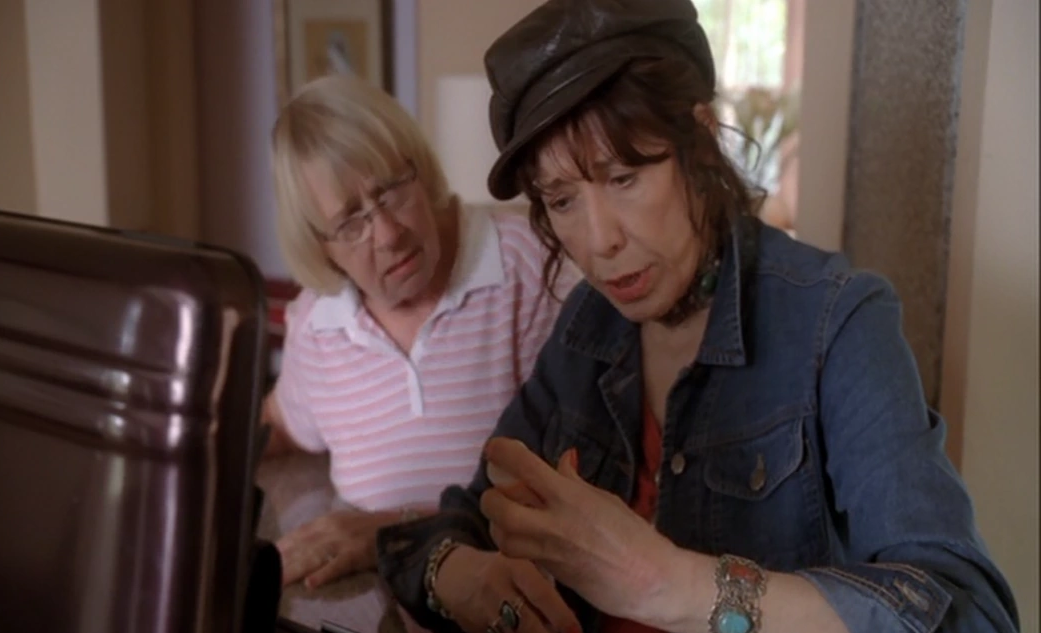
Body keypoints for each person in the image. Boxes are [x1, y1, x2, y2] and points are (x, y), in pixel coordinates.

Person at [375, 1, 1020, 632]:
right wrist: (459, 574)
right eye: (563, 200)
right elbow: (461, 515)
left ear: (703, 140)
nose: (599, 241)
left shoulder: (837, 321)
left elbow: (970, 613)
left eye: (624, 178)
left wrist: (663, 582)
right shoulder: (587, 329)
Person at [264, 74, 578, 591]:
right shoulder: (316, 326)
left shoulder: (527, 269)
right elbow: (279, 424)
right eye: (351, 223)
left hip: (511, 590)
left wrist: (389, 532)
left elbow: (571, 485)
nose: (389, 235)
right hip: (368, 602)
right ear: (321, 247)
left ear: (419, 168)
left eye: (391, 192)